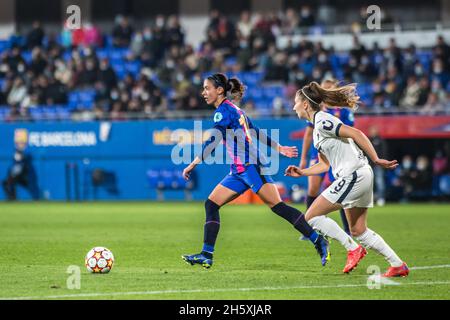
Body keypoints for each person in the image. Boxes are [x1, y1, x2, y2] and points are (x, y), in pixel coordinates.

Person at [181, 73, 330, 269]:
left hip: (250, 167)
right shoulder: (236, 110)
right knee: (211, 204)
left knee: (278, 206)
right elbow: (255, 131)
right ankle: (206, 254)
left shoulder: (223, 111)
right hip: (238, 170)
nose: (203, 93)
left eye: (207, 88)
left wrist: (193, 163)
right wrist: (279, 147)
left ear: (219, 90)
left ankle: (318, 240)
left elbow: (213, 140)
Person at [285, 81, 409, 277]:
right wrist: (303, 172)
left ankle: (352, 249)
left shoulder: (323, 120)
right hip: (360, 175)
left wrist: (376, 158)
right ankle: (397, 264)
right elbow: (325, 165)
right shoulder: (318, 129)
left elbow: (356, 133)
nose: (293, 106)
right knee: (359, 230)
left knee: (311, 217)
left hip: (355, 175)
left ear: (306, 105)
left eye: (295, 102)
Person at [299, 79, 352, 235]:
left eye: (329, 88)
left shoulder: (343, 111)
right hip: (319, 156)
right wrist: (303, 158)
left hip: (336, 157)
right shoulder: (317, 111)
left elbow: (350, 134)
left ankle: (348, 229)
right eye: (325, 88)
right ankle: (309, 229)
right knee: (313, 189)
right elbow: (308, 135)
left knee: (341, 190)